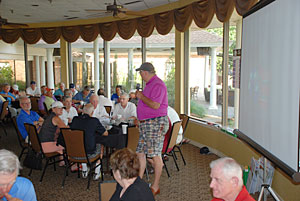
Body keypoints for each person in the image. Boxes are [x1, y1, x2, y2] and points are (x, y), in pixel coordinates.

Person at [135, 62, 169, 196]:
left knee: (155, 155)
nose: (140, 76)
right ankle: (138, 181)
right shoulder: (149, 85)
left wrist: (141, 96)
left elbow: (155, 105)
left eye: (141, 73)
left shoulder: (158, 84)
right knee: (140, 153)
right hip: (146, 124)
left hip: (155, 123)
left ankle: (155, 186)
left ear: (145, 72)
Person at [70, 103, 108, 180]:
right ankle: (97, 171)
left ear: (83, 111)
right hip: (89, 153)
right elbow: (105, 133)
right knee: (100, 144)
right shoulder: (94, 121)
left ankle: (84, 169)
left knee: (81, 143)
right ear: (92, 112)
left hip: (73, 152)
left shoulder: (75, 119)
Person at [39, 101, 68, 165]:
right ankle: (72, 162)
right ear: (53, 109)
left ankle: (62, 161)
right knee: (66, 145)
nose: (61, 110)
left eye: (62, 108)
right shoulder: (56, 118)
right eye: (59, 108)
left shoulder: (49, 117)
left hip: (40, 144)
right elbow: (66, 129)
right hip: (46, 146)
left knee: (59, 141)